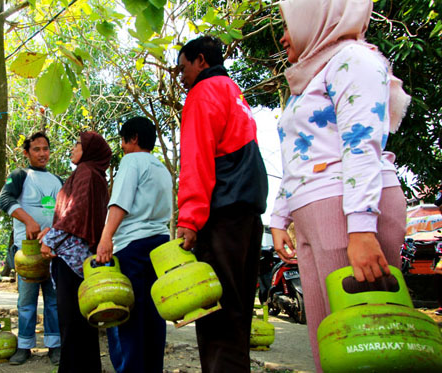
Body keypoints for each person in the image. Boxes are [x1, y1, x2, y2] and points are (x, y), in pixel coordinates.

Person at [270, 1, 410, 371]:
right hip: (317, 208)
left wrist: (362, 229)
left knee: (365, 348)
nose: (284, 37)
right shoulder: (312, 74)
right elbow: (300, 152)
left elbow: (362, 143)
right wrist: (279, 215)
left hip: (347, 208)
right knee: (329, 344)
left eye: (288, 25)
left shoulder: (355, 60)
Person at [175, 36, 268, 372]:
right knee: (239, 312)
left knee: (218, 313)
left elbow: (197, 159)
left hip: (222, 215)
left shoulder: (203, 92)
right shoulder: (233, 91)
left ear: (200, 60)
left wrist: (190, 218)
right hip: (248, 216)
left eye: (183, 67)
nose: (181, 76)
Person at [95, 117, 172, 373]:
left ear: (134, 138)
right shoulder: (161, 167)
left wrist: (106, 238)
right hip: (160, 246)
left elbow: (120, 203)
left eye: (123, 140)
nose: (122, 147)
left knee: (126, 315)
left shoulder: (132, 161)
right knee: (153, 315)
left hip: (133, 246)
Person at [39, 131, 112, 373]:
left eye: (77, 144)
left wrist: (50, 239)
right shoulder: (95, 175)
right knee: (83, 321)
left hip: (71, 258)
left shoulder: (86, 173)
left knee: (70, 321)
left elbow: (74, 214)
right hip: (84, 260)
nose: (72, 148)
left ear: (89, 150)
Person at [0, 132, 62, 365]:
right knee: (26, 301)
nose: (42, 153)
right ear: (26, 153)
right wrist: (29, 221)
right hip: (27, 251)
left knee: (54, 301)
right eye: (36, 149)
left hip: (53, 250)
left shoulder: (57, 180)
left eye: (45, 148)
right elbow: (3, 200)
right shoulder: (19, 175)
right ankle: (24, 345)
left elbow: (64, 214)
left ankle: (54, 346)